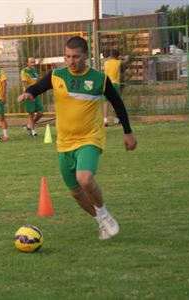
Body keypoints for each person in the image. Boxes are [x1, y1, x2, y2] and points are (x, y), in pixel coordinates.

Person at [17, 36, 137, 240]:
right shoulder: (56, 76)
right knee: (75, 192)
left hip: (90, 138)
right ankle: (99, 220)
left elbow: (118, 104)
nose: (71, 61)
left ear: (86, 56)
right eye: (67, 57)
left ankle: (104, 213)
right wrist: (29, 93)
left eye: (76, 57)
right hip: (64, 143)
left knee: (85, 178)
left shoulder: (100, 79)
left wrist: (127, 132)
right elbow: (37, 88)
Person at [19, 57, 44, 139]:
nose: (33, 64)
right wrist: (29, 94)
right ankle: (33, 132)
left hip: (36, 94)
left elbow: (37, 82)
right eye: (31, 62)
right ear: (27, 63)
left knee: (40, 113)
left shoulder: (35, 71)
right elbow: (25, 84)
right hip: (28, 95)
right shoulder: (24, 71)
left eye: (34, 62)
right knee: (31, 114)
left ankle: (29, 125)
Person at [102, 49, 123, 126]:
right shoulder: (118, 62)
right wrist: (123, 57)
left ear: (111, 56)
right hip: (115, 84)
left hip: (106, 83)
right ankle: (116, 119)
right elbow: (126, 60)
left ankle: (105, 119)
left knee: (106, 102)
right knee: (116, 102)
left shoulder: (106, 63)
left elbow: (103, 69)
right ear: (118, 56)